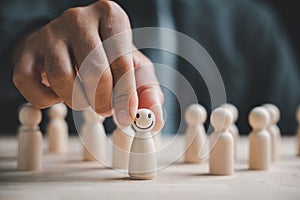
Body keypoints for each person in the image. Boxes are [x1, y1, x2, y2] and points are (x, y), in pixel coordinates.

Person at [0, 0, 299, 134]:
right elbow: (14, 36)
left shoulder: (253, 24)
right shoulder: (31, 7)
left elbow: (288, 127)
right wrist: (28, 43)